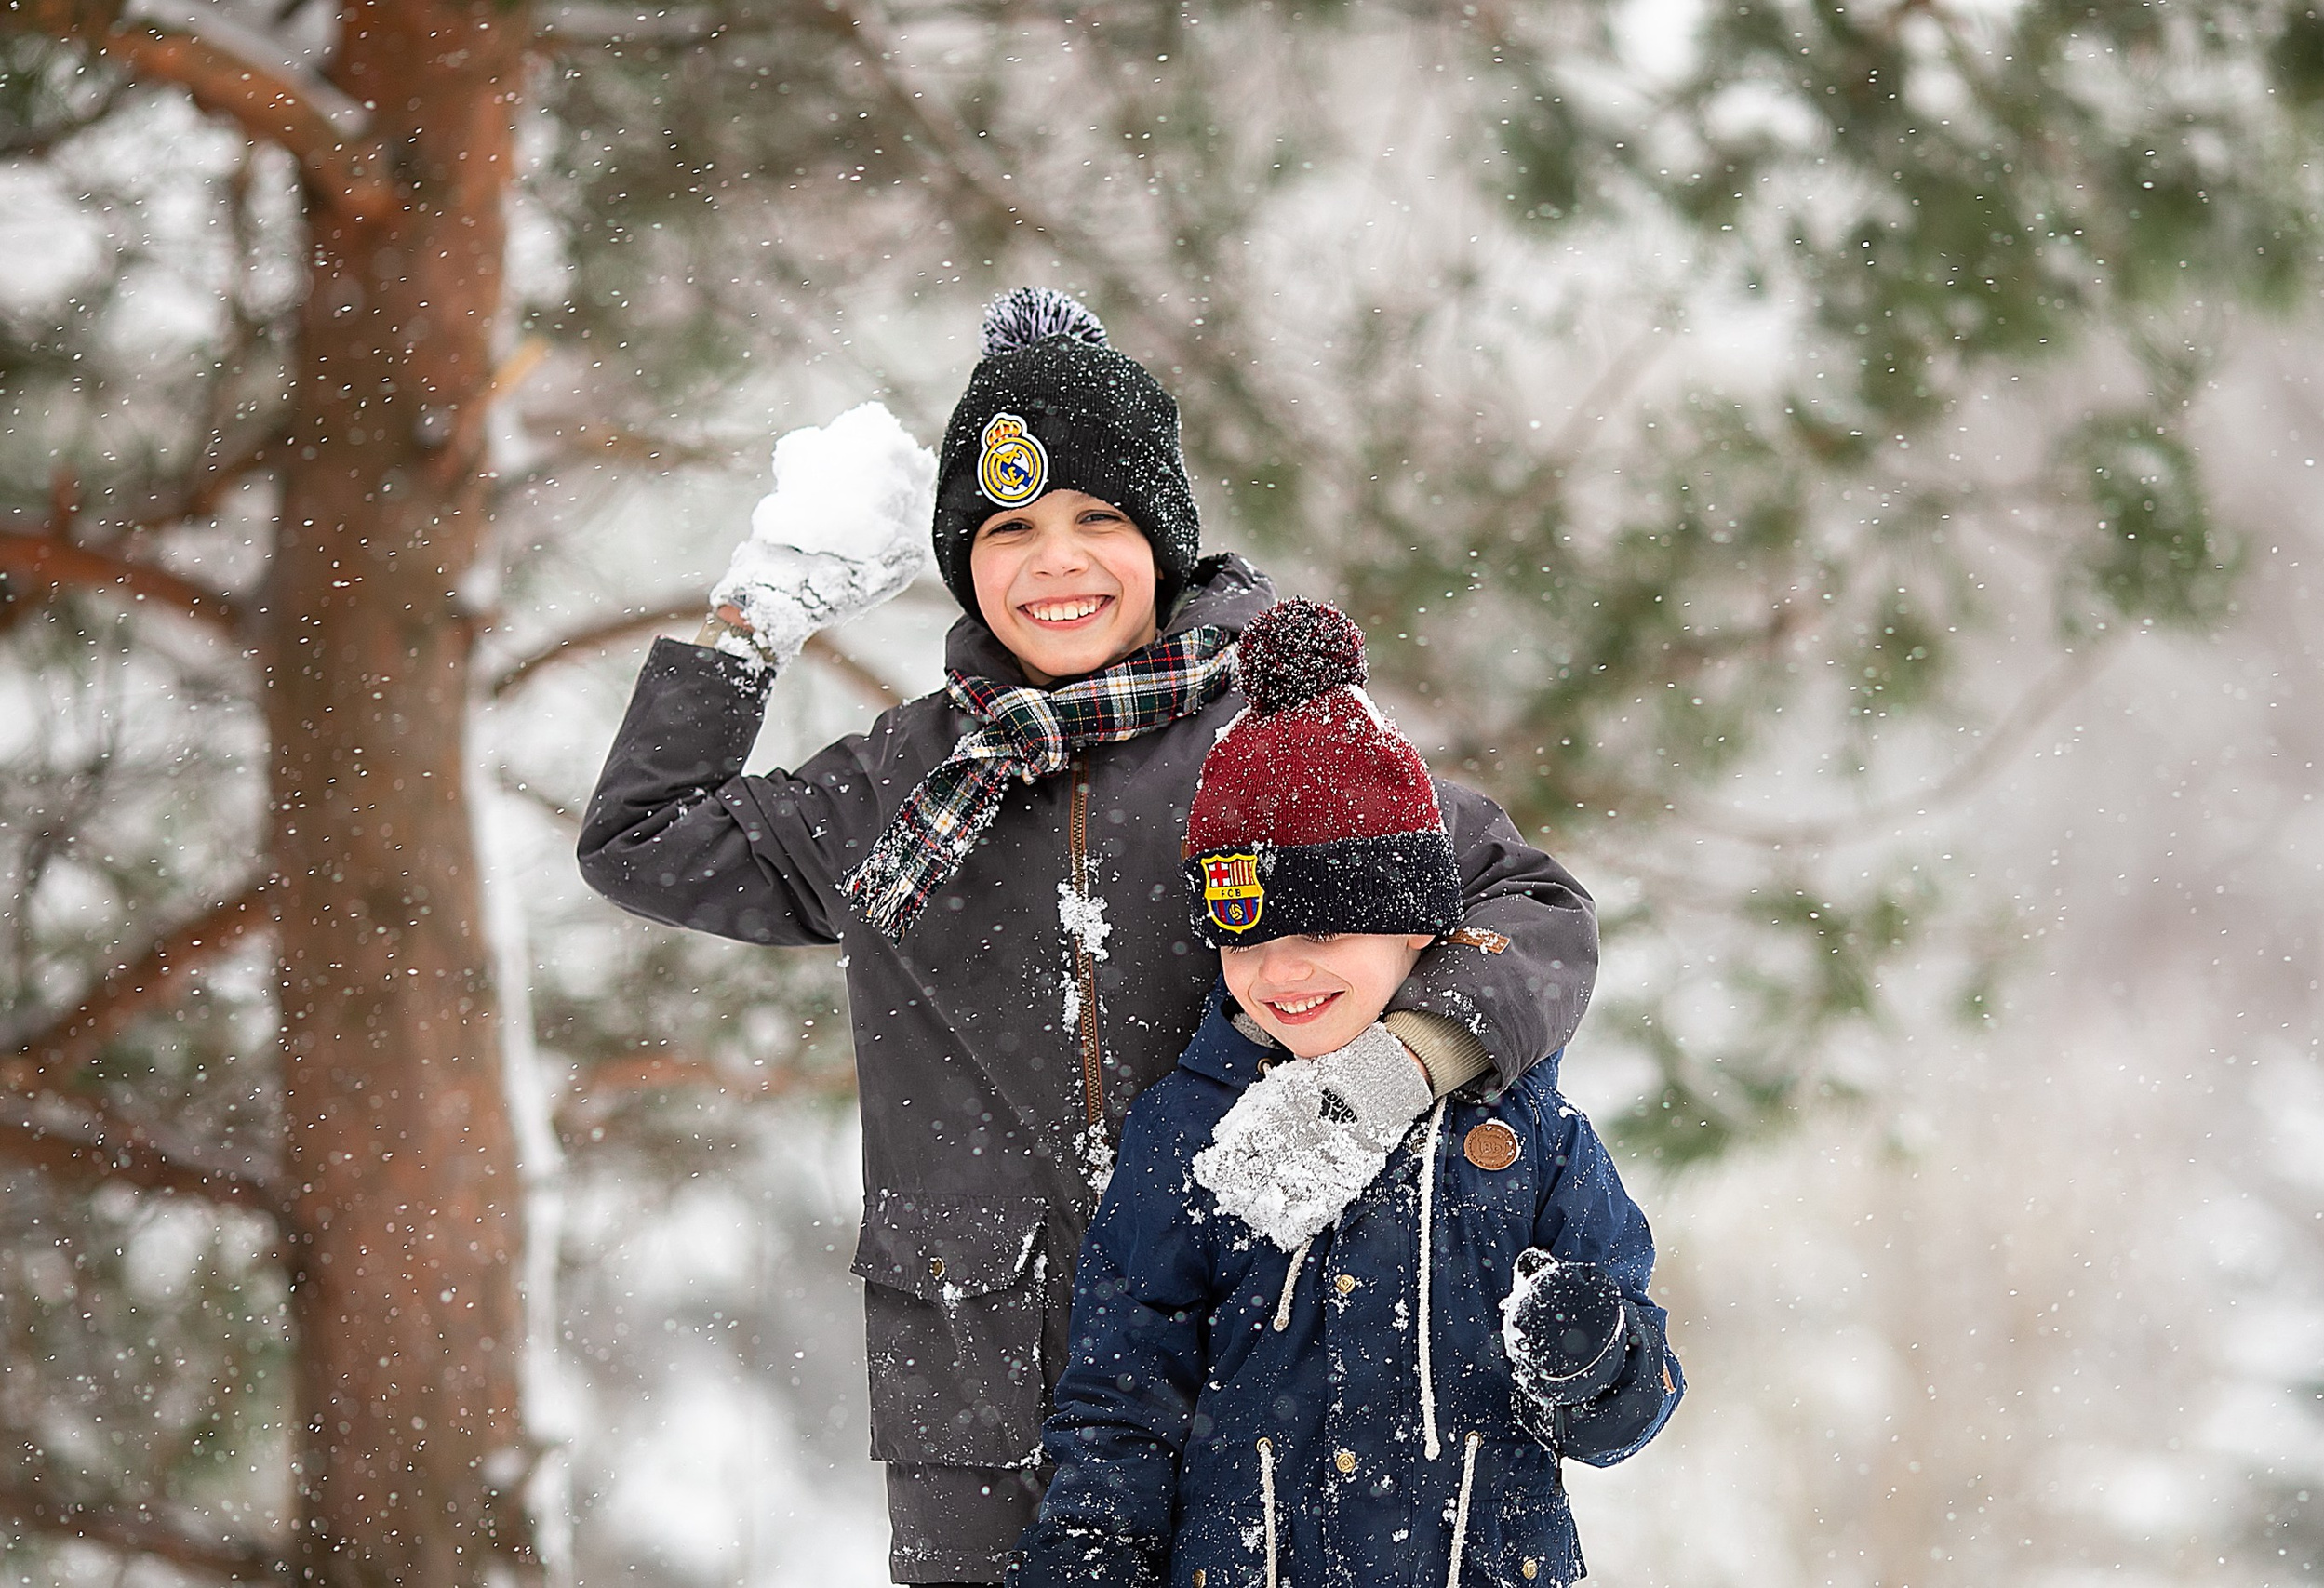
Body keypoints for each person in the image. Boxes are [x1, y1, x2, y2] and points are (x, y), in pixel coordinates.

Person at [578, 290, 1602, 1587]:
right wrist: (755, 618)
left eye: (1097, 521)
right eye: (1010, 530)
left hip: (1267, 1390)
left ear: (1164, 540)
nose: (1055, 562)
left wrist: (1397, 1064)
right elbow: (642, 837)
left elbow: (1536, 910)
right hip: (988, 1430)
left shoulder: (1283, 744)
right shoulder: (907, 783)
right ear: (965, 560)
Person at [1008, 599, 1684, 1588]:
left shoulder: (1519, 1130)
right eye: (1249, 936)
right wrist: (1092, 1552)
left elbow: (1634, 1400)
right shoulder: (1186, 1131)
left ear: (1417, 927)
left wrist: (1593, 1358)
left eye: (1323, 934)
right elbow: (1122, 1389)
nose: (1282, 973)